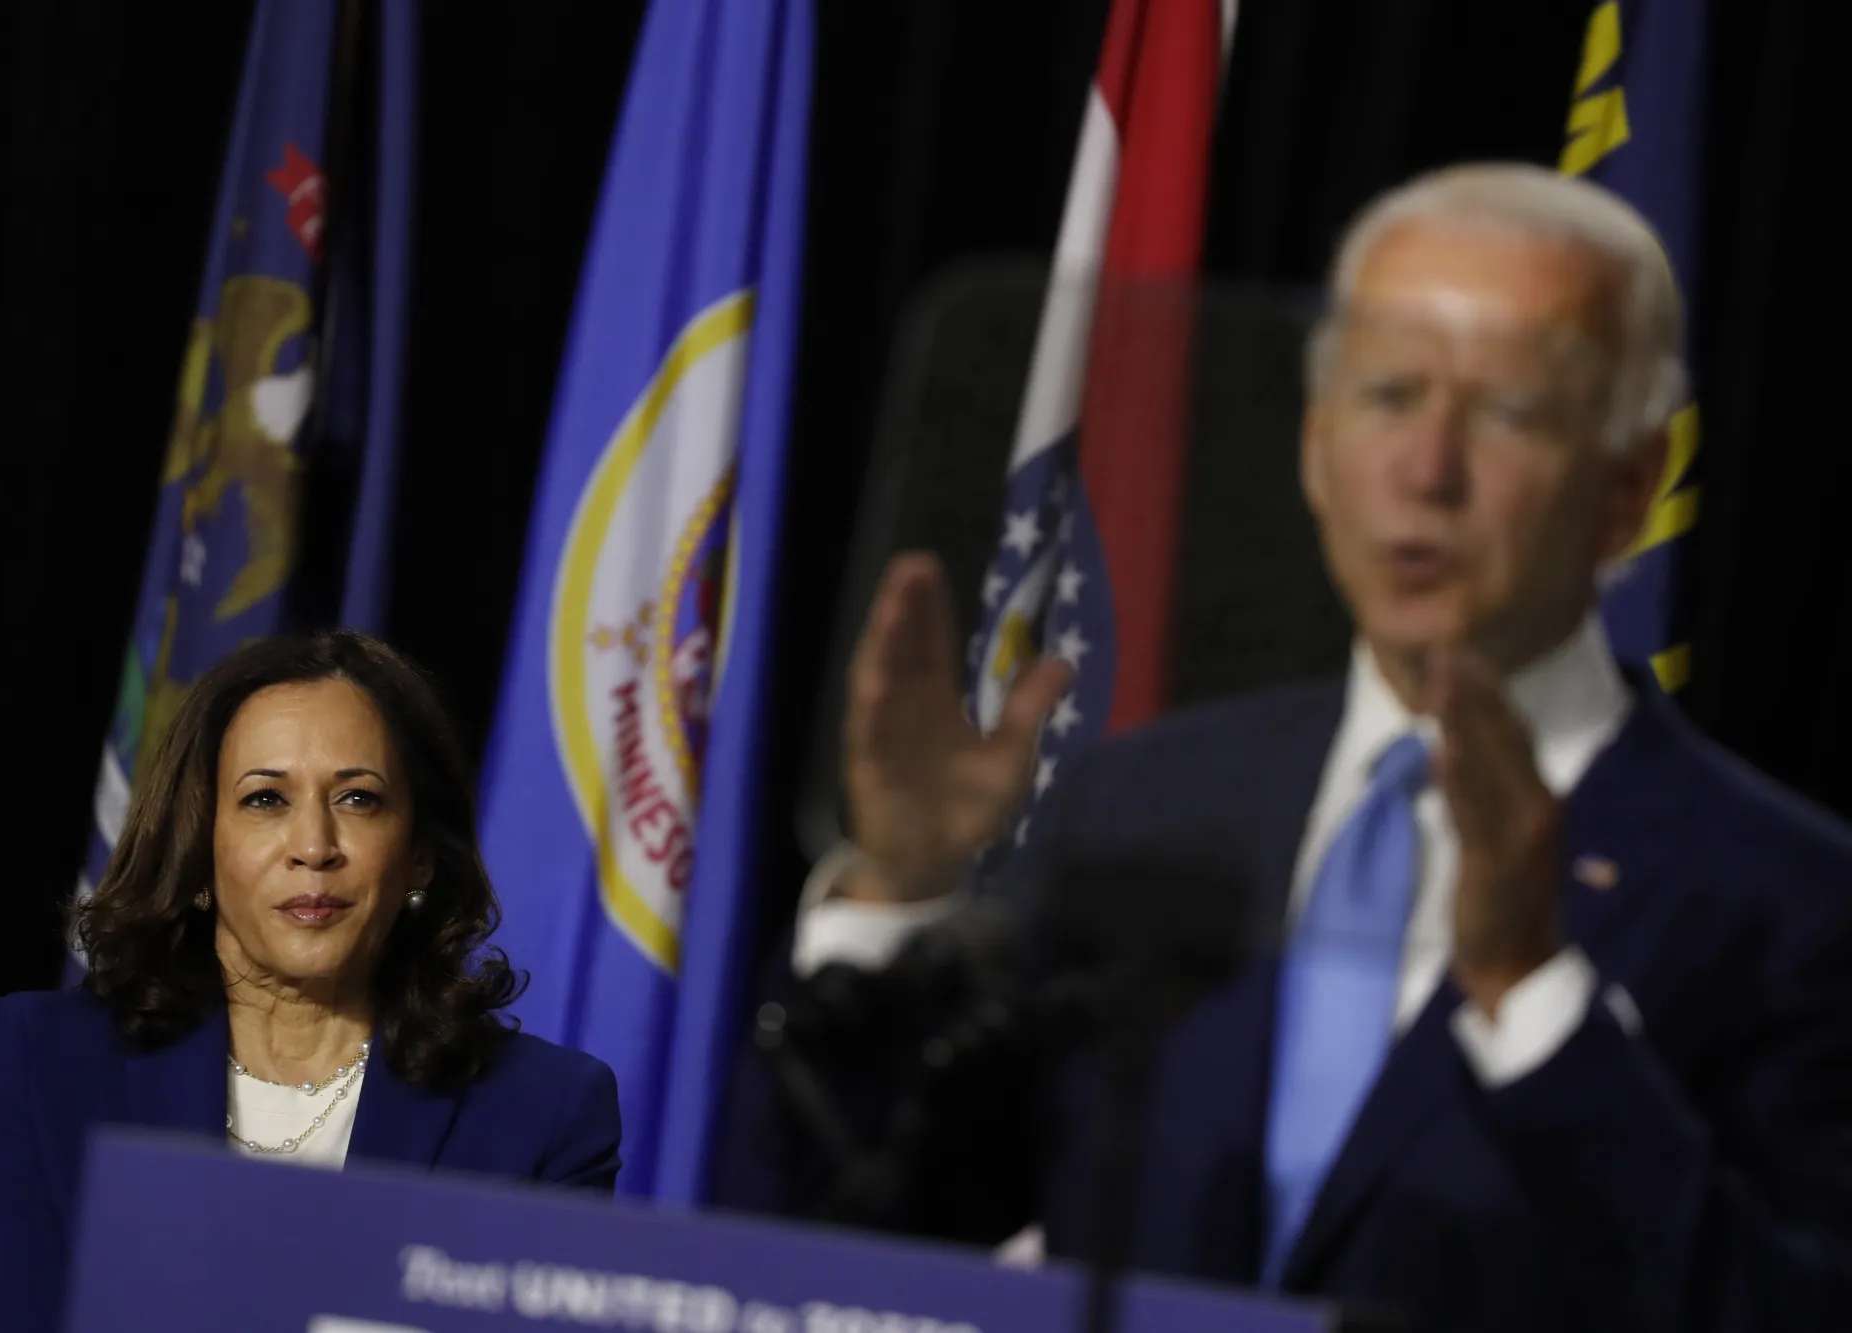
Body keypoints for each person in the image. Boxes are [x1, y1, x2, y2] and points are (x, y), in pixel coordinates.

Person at [718, 163, 1852, 1330]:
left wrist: (1532, 1000)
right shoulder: (1140, 805)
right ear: (1314, 449)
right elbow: (837, 1239)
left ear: (1628, 489)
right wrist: (898, 894)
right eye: (1388, 396)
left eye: (1507, 411)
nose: (1427, 472)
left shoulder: (1791, 901)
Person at [0, 631, 622, 1333]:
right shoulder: (40, 1060)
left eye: (359, 798)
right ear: (200, 847)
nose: (314, 846)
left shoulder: (543, 1111)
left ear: (419, 856)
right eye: (266, 799)